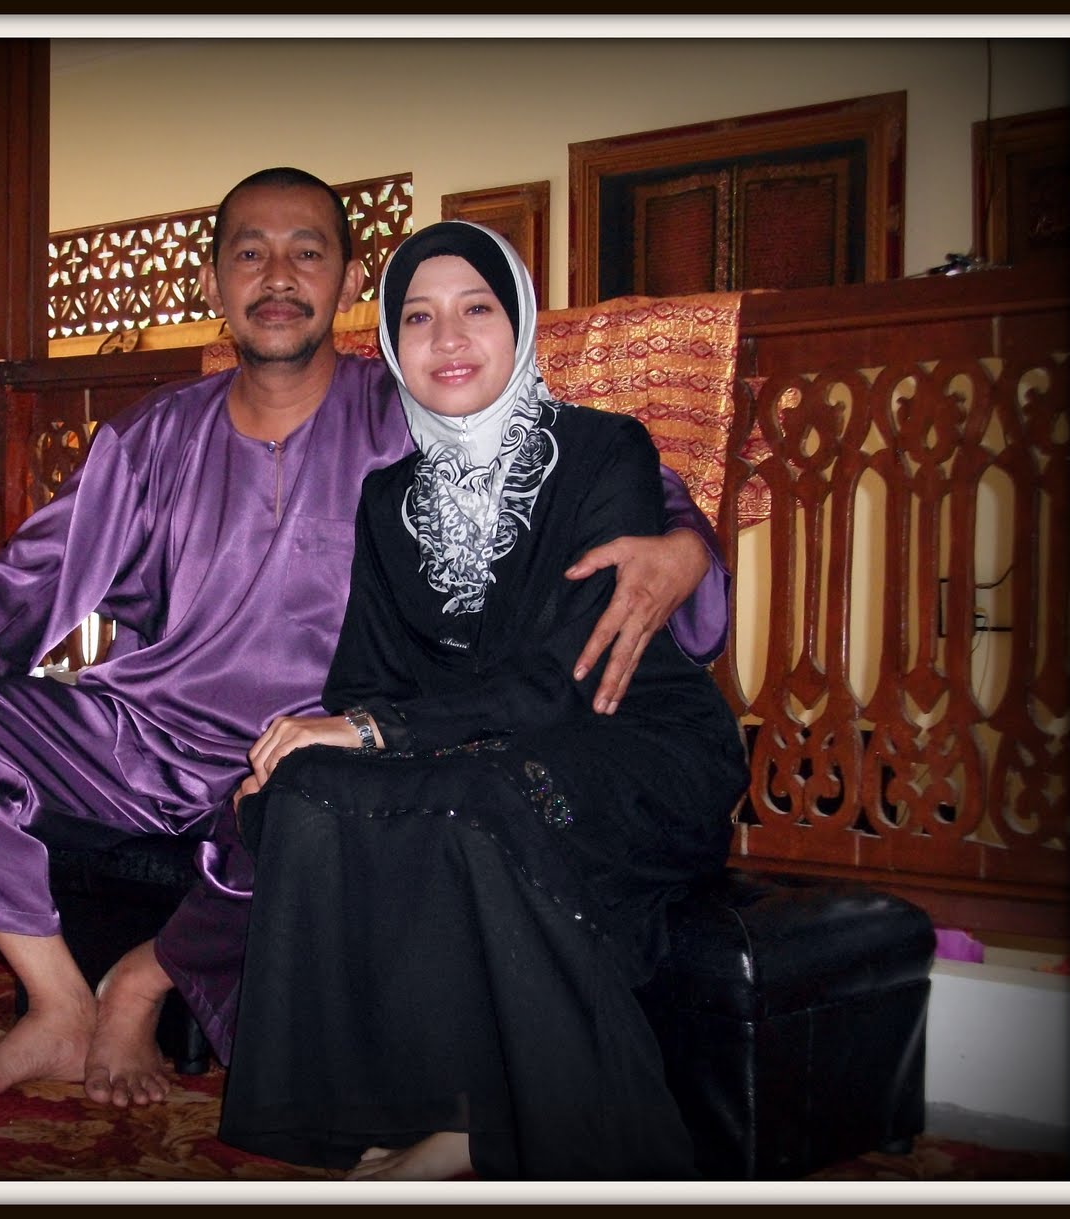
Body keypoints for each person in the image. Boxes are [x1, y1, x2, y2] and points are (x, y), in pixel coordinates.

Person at [0, 168, 728, 1112]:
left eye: (307, 252)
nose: (277, 276)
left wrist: (686, 545)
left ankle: (143, 980)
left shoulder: (416, 410)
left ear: (350, 281)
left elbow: (579, 467)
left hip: (327, 741)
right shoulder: (152, 438)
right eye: (249, 254)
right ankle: (59, 1002)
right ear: (213, 283)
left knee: (323, 793)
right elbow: (32, 573)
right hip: (142, 737)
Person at [214, 221, 749, 1180]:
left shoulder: (603, 450)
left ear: (522, 325)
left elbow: (563, 675)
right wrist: (327, 739)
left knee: (480, 797)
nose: (448, 338)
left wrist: (376, 728)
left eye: (477, 309)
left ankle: (489, 1132)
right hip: (481, 748)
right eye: (418, 318)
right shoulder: (389, 499)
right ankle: (371, 1110)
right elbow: (365, 677)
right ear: (392, 345)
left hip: (632, 742)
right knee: (305, 793)